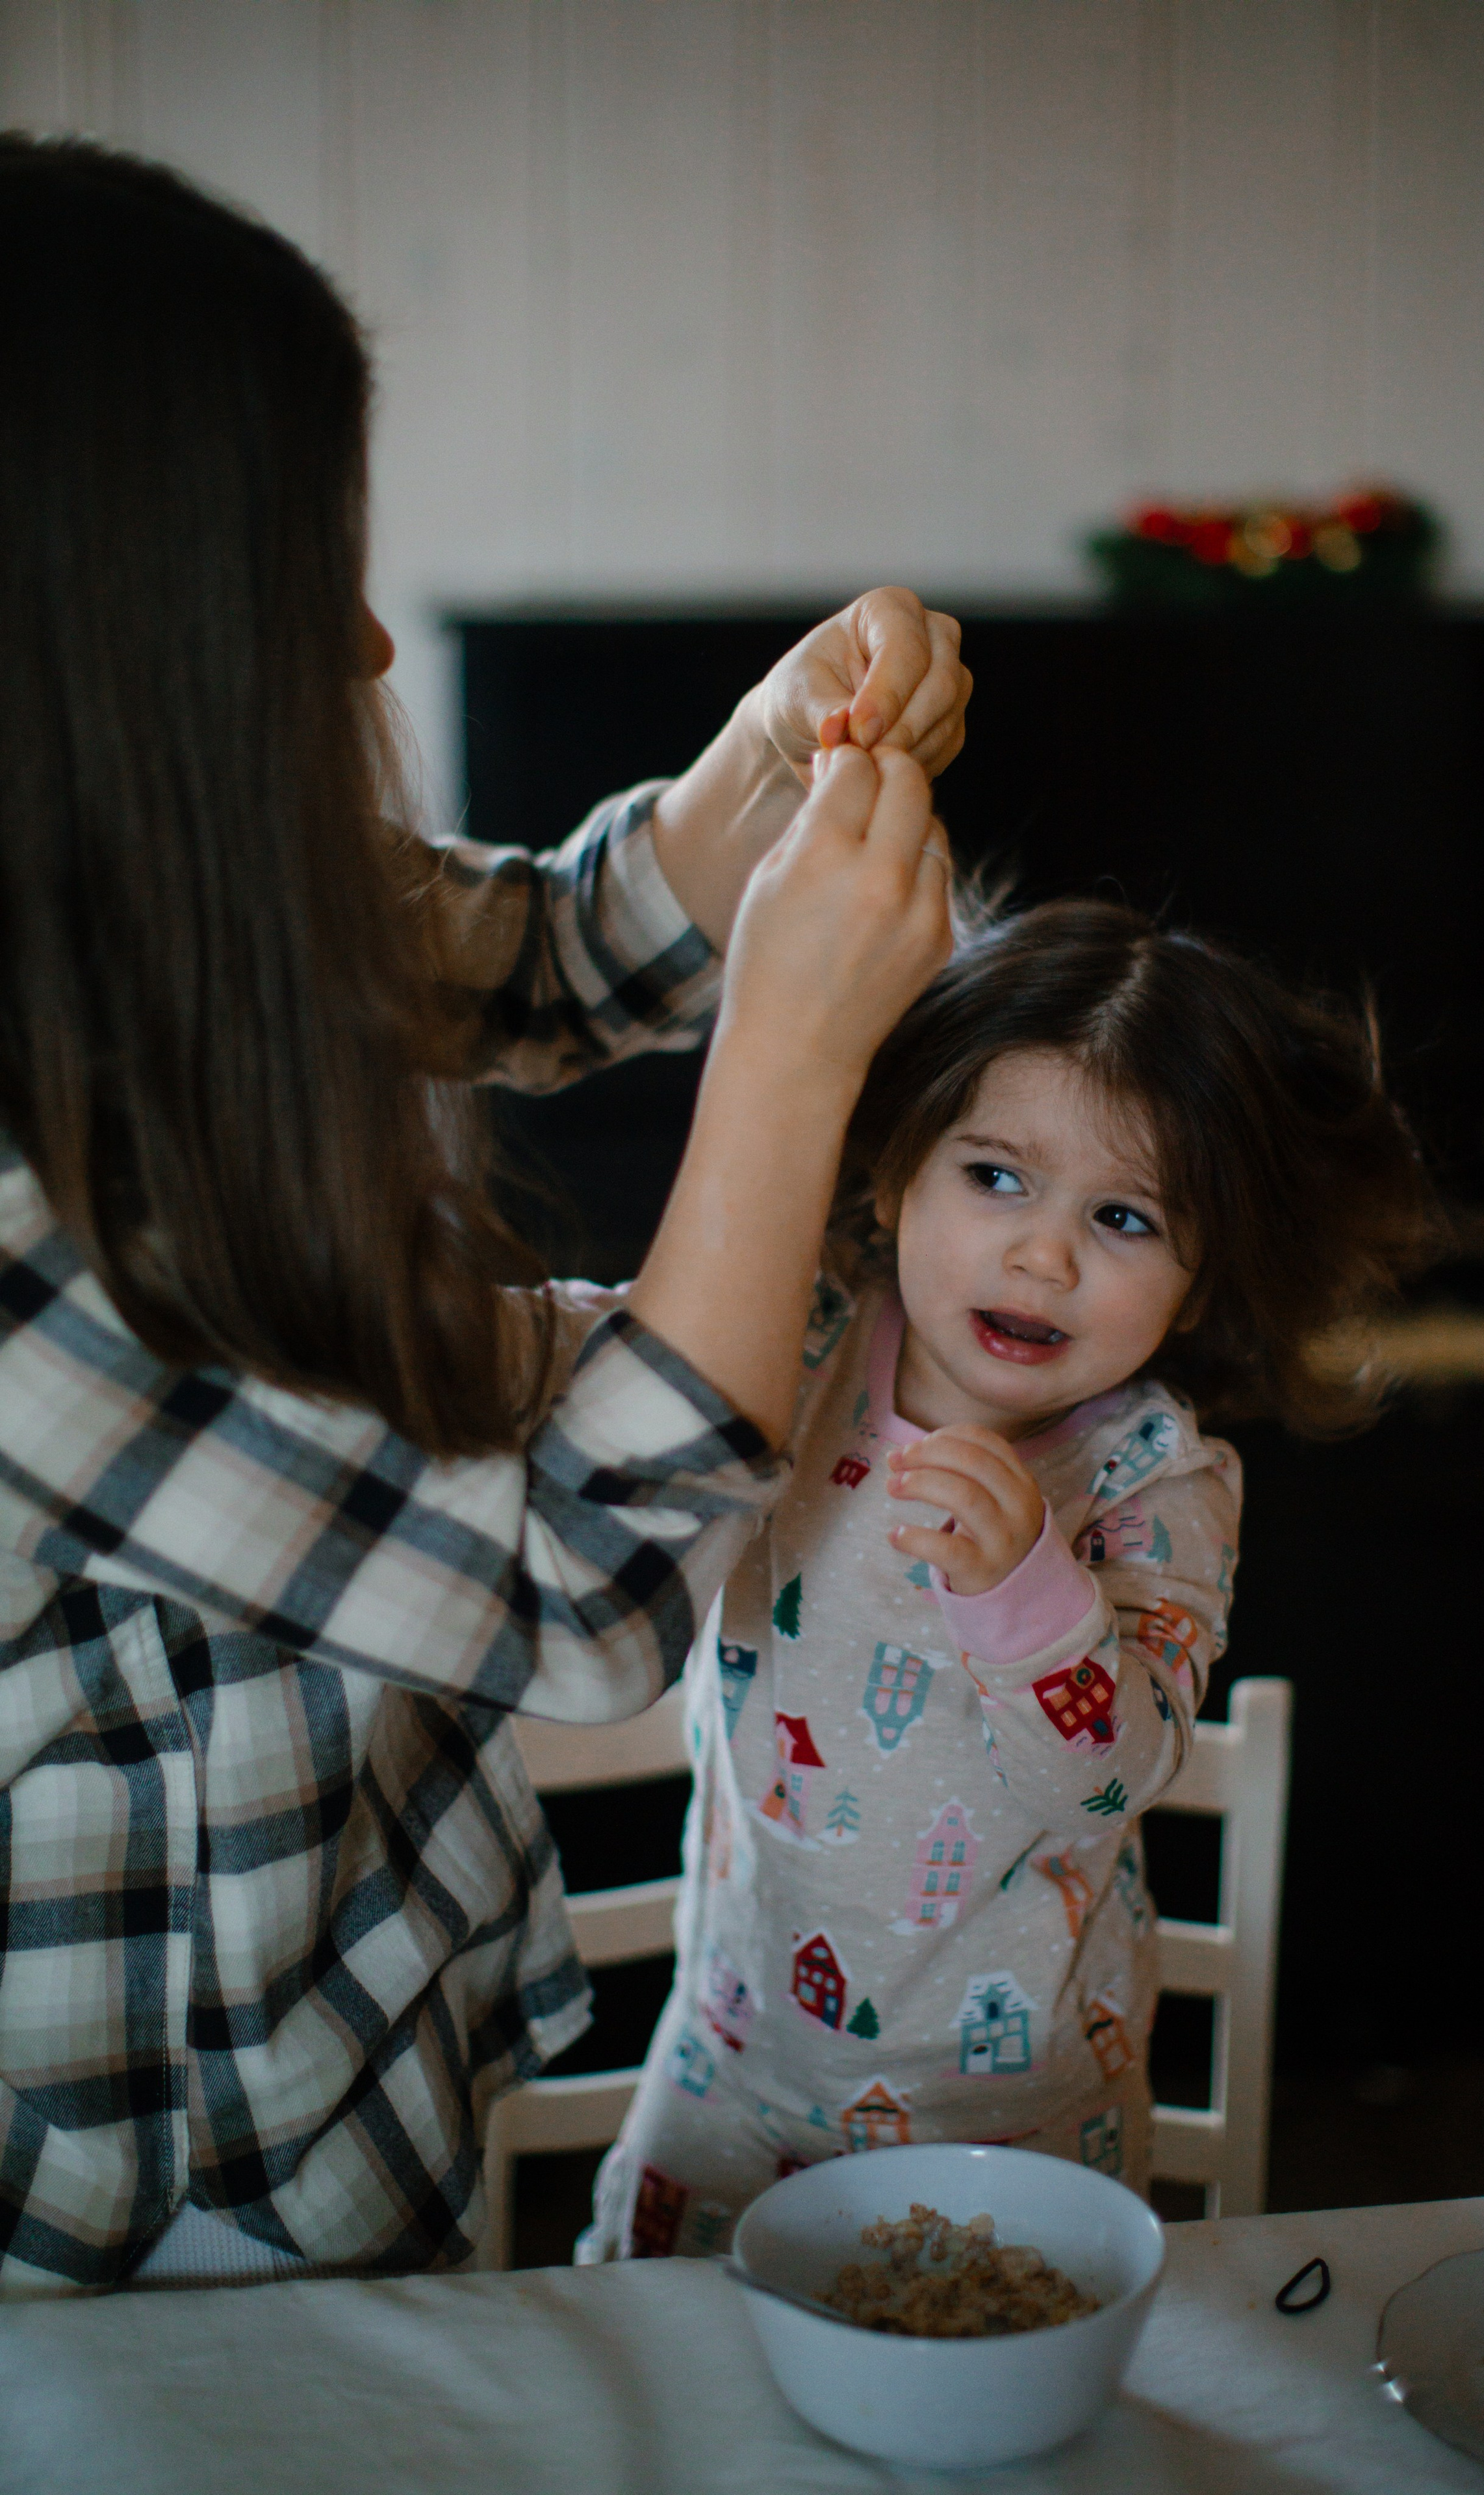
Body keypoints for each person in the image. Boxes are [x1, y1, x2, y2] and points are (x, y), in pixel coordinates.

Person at [0, 134, 971, 2295]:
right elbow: (590, 1587)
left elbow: (541, 946)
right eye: (293, 576)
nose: (359, 634)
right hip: (160, 2252)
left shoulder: (139, 913)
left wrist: (759, 771)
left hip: (357, 2069)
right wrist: (795, 1060)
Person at [582, 896, 1436, 2258]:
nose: (1043, 1255)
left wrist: (1031, 1593)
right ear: (887, 1179)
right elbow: (615, 1382)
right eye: (992, 1177)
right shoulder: (792, 1345)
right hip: (728, 2082)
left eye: (1123, 1216)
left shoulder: (1150, 1480)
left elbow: (1113, 1769)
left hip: (1022, 2127)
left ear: (1204, 1279)